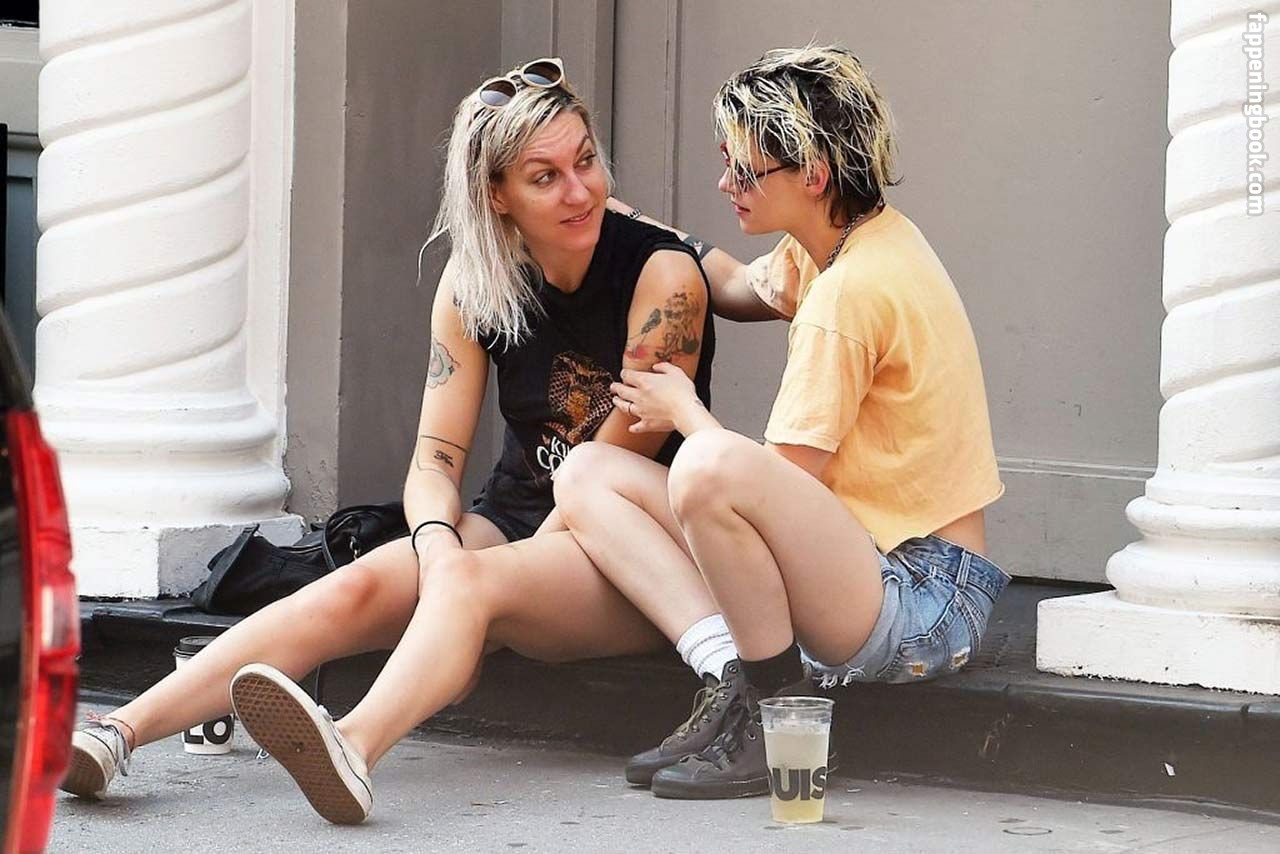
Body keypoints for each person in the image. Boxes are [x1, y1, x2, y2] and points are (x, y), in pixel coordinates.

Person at [61, 58, 735, 824]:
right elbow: (434, 460)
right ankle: (119, 732)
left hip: (636, 554)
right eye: (544, 177)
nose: (579, 191)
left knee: (472, 585)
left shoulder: (662, 276)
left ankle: (351, 745)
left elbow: (613, 467)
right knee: (358, 585)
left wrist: (462, 594)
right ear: (497, 194)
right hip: (516, 520)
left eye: (585, 162)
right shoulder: (477, 282)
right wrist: (439, 547)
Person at [554, 44, 1010, 799]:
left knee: (708, 467)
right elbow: (733, 282)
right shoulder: (844, 241)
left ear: (813, 176)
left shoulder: (850, 294)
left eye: (743, 169)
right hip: (874, 570)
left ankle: (772, 714)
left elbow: (768, 486)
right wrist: (613, 218)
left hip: (925, 600)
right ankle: (730, 674)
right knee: (585, 473)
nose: (725, 184)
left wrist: (684, 410)